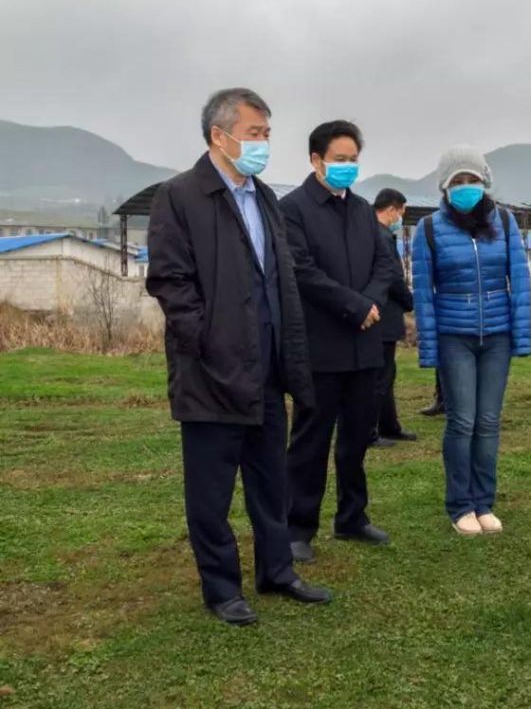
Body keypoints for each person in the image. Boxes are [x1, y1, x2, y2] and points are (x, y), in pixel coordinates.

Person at [146, 87, 330, 625]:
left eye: (267, 133)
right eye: (254, 133)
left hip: (267, 369)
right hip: (210, 374)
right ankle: (222, 588)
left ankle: (277, 571)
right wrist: (205, 341)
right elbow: (170, 281)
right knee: (211, 492)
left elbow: (280, 280)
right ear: (218, 135)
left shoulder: (265, 197)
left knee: (271, 482)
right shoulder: (180, 196)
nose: (263, 143)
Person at [282, 120, 397, 562]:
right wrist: (354, 306)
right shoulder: (293, 210)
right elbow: (302, 271)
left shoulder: (363, 211)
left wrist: (370, 304)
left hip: (364, 346)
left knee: (356, 438)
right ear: (316, 160)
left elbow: (385, 266)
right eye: (339, 159)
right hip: (321, 346)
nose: (347, 166)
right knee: (310, 441)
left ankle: (352, 516)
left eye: (353, 160)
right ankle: (298, 526)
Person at [412, 145, 531, 536]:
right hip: (454, 338)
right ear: (445, 187)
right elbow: (423, 295)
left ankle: (484, 502)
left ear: (485, 182)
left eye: (473, 179)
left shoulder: (506, 222)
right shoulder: (428, 230)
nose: (466, 187)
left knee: (489, 421)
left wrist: (520, 336)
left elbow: (520, 281)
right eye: (458, 181)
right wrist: (429, 348)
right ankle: (460, 505)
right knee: (462, 421)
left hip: (497, 336)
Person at [371, 188, 417, 447]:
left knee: (387, 374)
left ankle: (389, 425)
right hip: (384, 315)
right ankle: (371, 430)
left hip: (383, 316)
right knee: (379, 378)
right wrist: (409, 301)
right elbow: (392, 276)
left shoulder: (371, 232)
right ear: (391, 210)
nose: (401, 218)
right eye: (401, 213)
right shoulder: (381, 236)